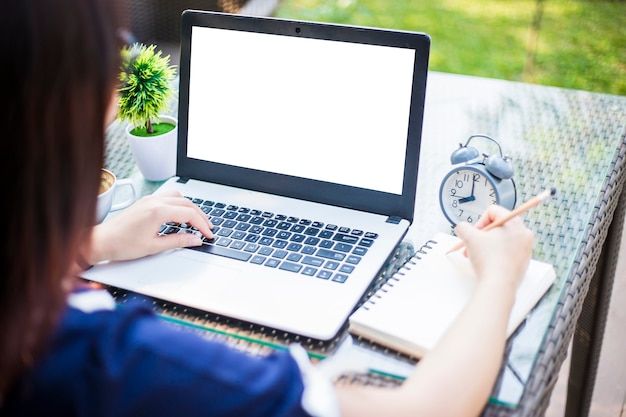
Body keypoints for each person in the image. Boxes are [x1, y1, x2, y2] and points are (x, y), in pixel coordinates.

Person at [0, 0, 534, 416]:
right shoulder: (114, 362)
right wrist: (500, 279)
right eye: (114, 48)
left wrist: (91, 245)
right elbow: (420, 409)